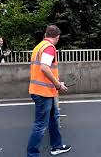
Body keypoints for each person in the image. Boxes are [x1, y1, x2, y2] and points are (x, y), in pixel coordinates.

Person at [27, 25, 71, 157]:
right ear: (57, 37)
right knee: (40, 125)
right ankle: (32, 154)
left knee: (53, 118)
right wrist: (58, 84)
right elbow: (45, 68)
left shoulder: (39, 46)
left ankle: (57, 146)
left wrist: (56, 84)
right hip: (43, 93)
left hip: (43, 91)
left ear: (46, 34)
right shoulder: (49, 48)